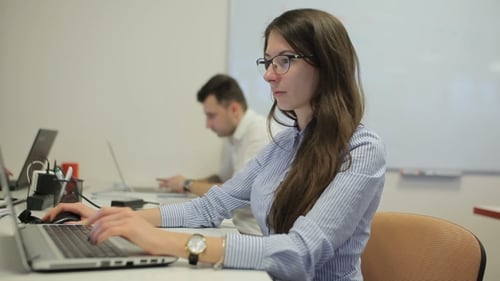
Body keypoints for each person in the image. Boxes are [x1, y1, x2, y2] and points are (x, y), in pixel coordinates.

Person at [43, 8, 386, 281]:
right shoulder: (285, 145)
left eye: (284, 60)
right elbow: (208, 208)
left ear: (326, 64)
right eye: (268, 61)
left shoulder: (362, 150)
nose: (269, 74)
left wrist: (164, 242)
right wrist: (113, 218)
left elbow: (298, 254)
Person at [156, 73, 271, 236]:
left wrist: (187, 184)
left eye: (211, 116)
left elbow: (233, 194)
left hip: (254, 234)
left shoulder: (260, 135)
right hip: (238, 227)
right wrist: (181, 183)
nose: (207, 125)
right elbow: (222, 179)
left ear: (234, 109)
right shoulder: (233, 135)